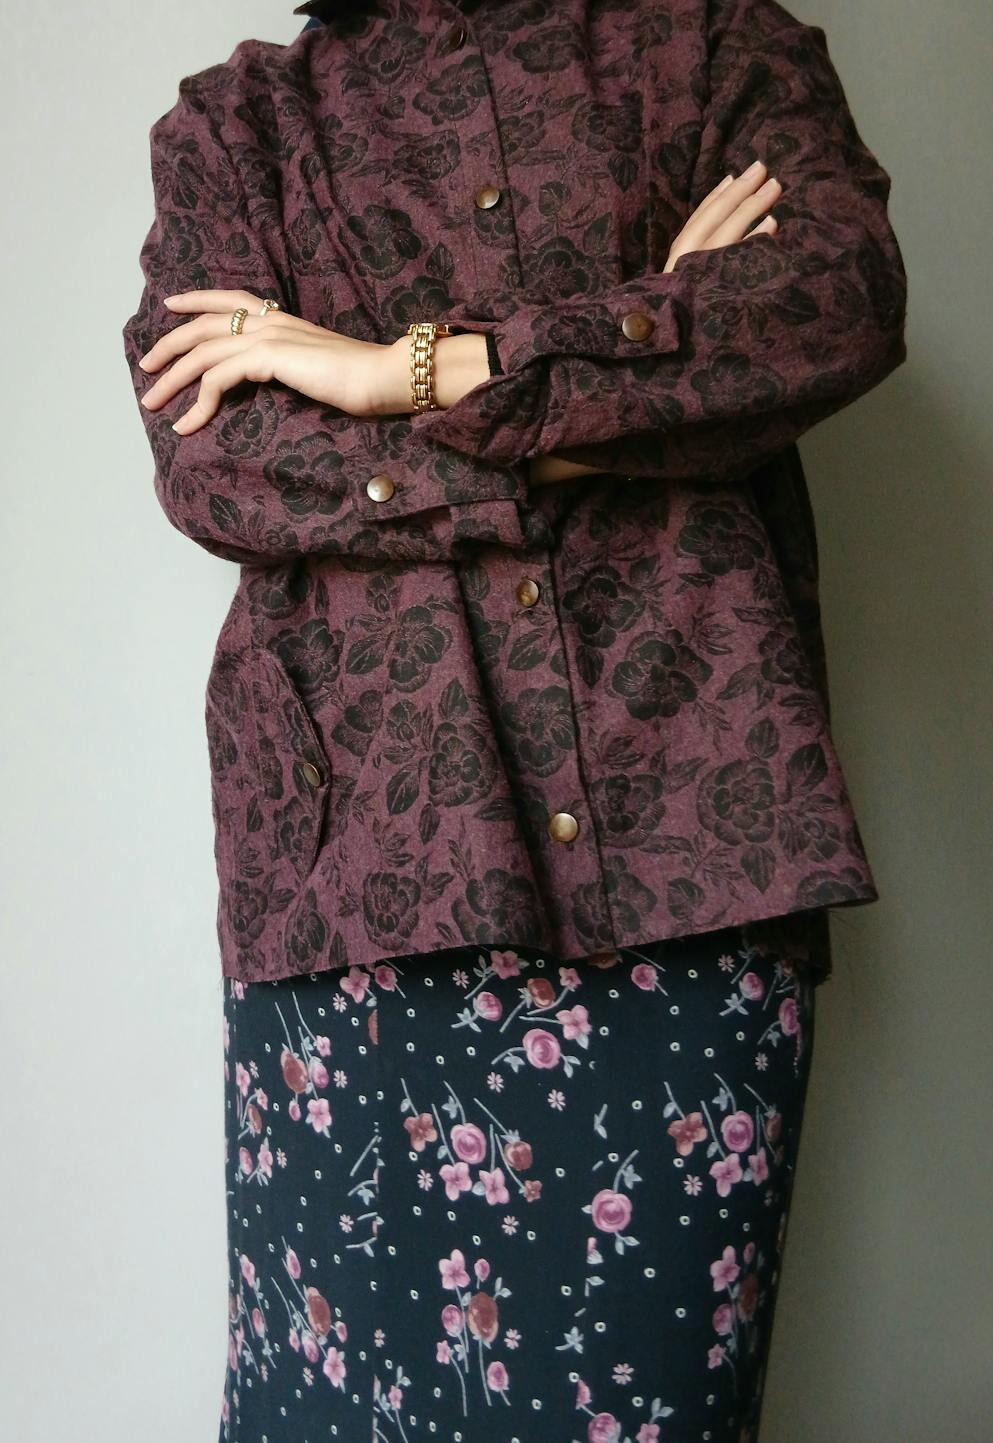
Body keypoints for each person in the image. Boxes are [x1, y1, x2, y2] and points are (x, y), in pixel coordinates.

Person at [121, 1, 907, 1439]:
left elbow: (833, 301)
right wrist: (627, 365)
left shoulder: (718, 46)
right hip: (366, 870)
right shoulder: (240, 126)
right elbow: (219, 459)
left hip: (687, 849)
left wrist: (395, 372)